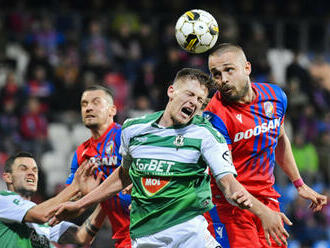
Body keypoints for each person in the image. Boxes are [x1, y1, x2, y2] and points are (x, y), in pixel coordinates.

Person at [51, 68, 291, 248]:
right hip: (146, 237)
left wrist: (263, 212)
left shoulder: (206, 135)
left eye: (200, 101)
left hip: (191, 236)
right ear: (171, 91)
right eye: (190, 94)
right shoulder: (134, 129)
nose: (194, 103)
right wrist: (81, 203)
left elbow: (229, 185)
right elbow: (124, 175)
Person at [203, 43, 328, 248]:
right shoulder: (214, 116)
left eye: (229, 70)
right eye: (216, 74)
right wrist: (264, 213)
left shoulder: (275, 96)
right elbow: (227, 185)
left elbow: (279, 139)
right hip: (229, 208)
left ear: (247, 68)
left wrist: (299, 184)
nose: (223, 79)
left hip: (267, 200)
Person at [66, 85, 131, 248]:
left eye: (96, 102)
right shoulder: (82, 152)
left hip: (150, 229)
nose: (88, 108)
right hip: (123, 237)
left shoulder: (124, 137)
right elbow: (71, 197)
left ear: (112, 110)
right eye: (84, 104)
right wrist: (85, 196)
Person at [0, 151, 105, 247]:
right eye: (23, 169)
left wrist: (103, 197)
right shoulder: (3, 200)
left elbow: (83, 237)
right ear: (8, 177)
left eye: (34, 170)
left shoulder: (44, 221)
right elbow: (41, 214)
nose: (31, 173)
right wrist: (75, 187)